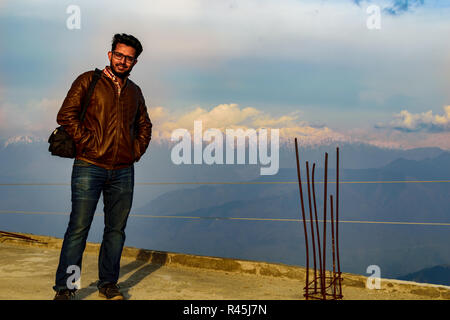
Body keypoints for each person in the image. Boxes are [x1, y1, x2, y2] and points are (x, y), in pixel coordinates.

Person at [52, 33, 152, 300]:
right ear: (110, 55)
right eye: (119, 55)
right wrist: (88, 144)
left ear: (135, 62)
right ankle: (66, 289)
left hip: (123, 170)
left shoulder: (135, 92)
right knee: (78, 228)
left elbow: (145, 126)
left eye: (129, 58)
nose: (123, 61)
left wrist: (134, 152)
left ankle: (108, 285)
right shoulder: (89, 80)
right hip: (89, 165)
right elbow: (66, 115)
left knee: (116, 231)